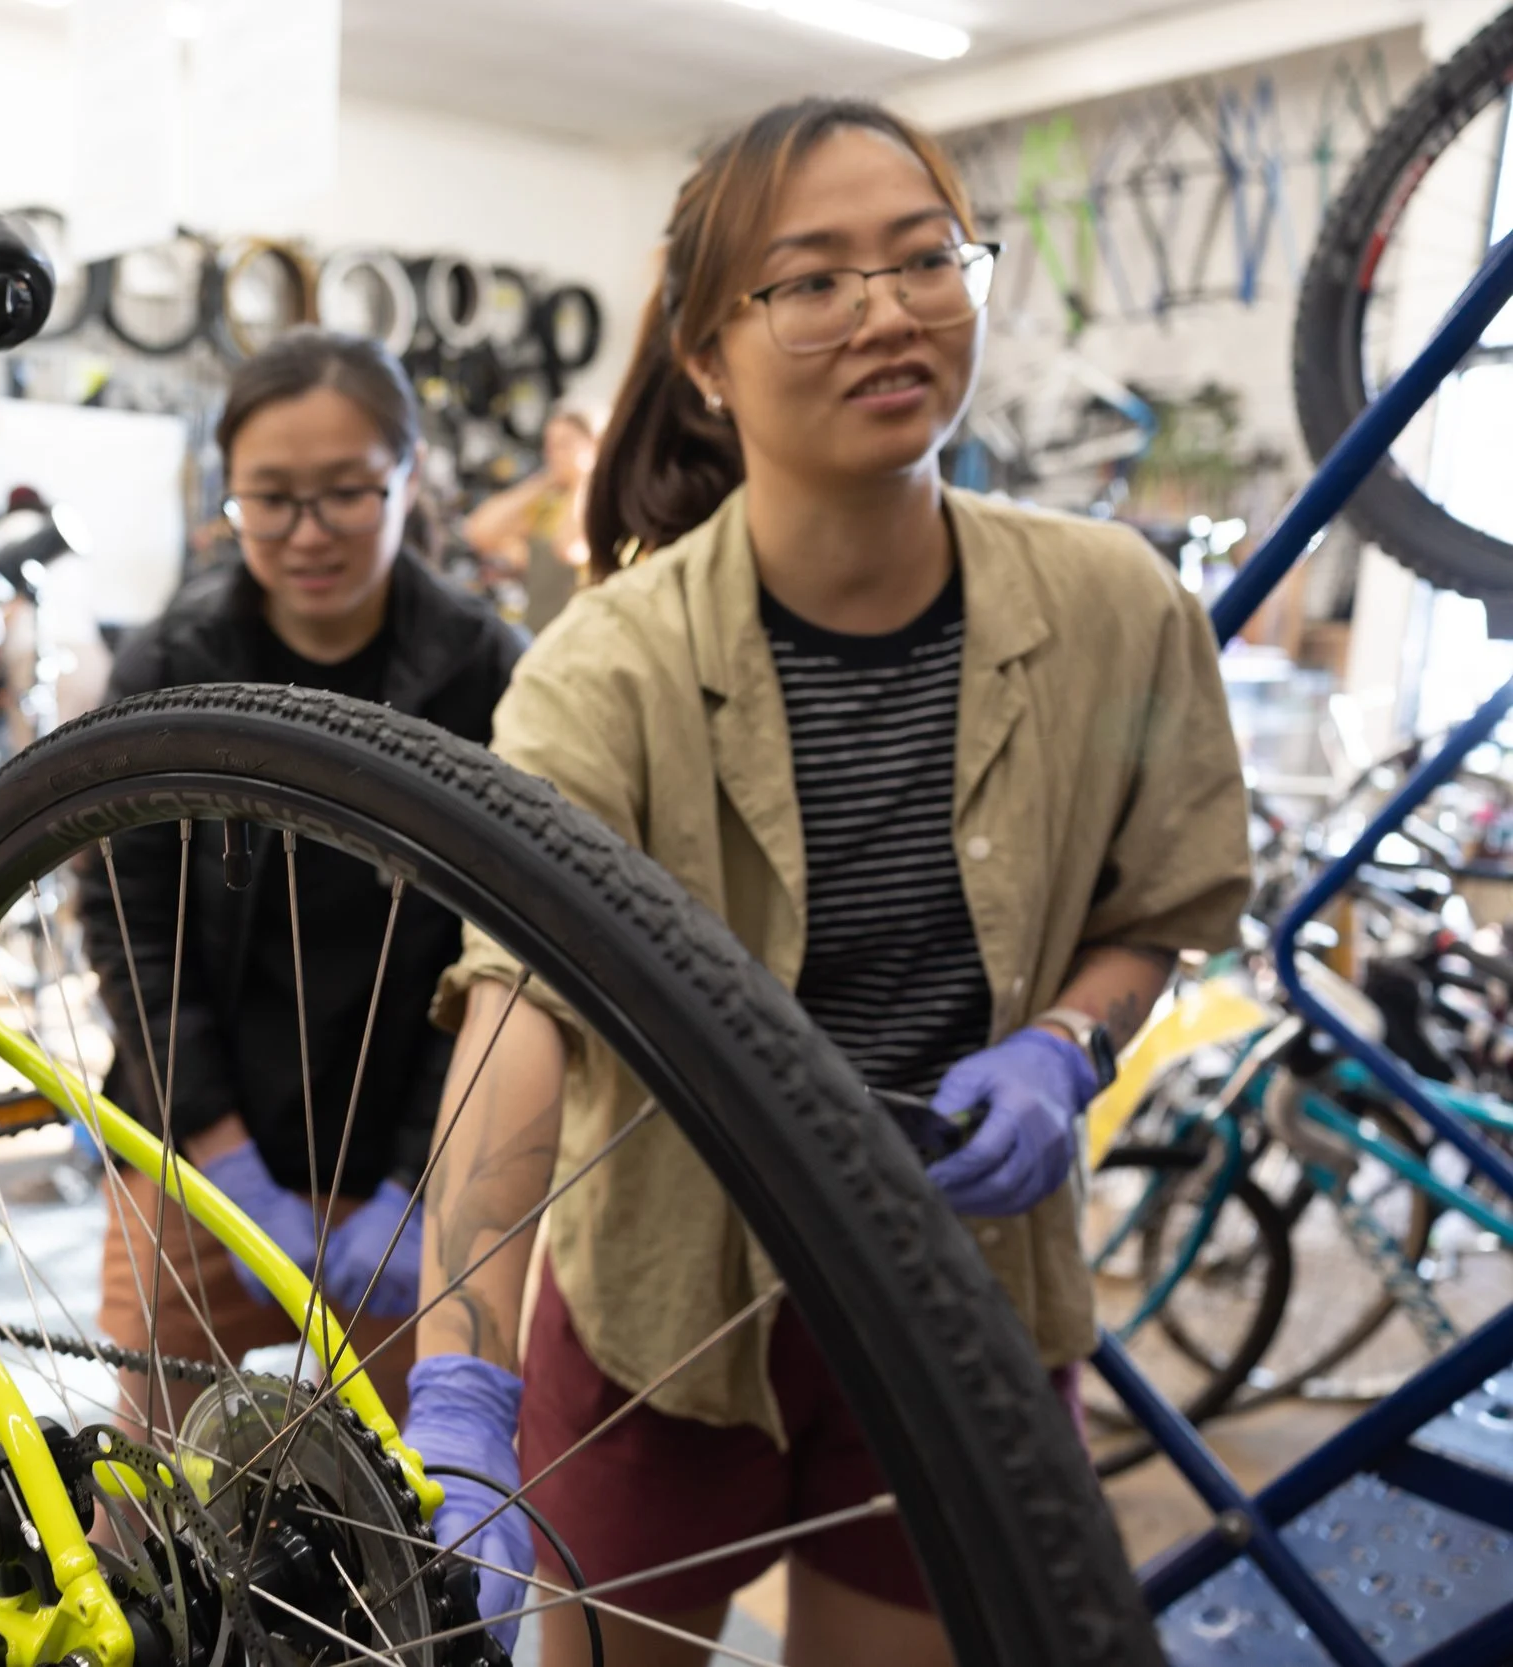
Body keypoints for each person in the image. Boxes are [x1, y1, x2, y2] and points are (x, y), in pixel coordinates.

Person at [401, 99, 1252, 1666]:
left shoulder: (1118, 607)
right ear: (708, 358)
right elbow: (521, 993)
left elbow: (1170, 901)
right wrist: (463, 1364)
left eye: (928, 259)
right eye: (812, 279)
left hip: (952, 1285)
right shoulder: (613, 660)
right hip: (662, 1295)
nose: (887, 311)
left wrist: (1067, 1044)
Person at [81, 328, 525, 1429]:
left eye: (345, 495)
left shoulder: (493, 672)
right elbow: (128, 928)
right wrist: (224, 1159)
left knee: (397, 1525)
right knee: (143, 1502)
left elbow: (500, 950)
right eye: (268, 499)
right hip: (199, 1148)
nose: (306, 533)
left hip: (407, 1166)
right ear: (225, 490)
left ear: (408, 476)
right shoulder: (169, 666)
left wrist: (421, 1181)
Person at [462, 403, 598, 632]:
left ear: (594, 443)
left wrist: (582, 480)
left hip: (586, 635)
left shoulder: (606, 500)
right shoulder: (548, 505)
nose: (554, 454)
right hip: (542, 634)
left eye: (564, 444)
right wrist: (545, 480)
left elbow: (570, 548)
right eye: (549, 446)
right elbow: (479, 531)